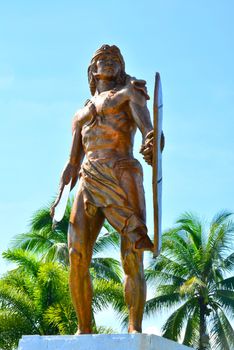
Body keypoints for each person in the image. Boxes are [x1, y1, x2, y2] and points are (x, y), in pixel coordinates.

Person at [51, 44, 156, 334]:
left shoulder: (129, 94)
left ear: (120, 68)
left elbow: (149, 130)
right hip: (88, 177)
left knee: (132, 253)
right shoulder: (80, 114)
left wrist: (152, 142)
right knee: (76, 254)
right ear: (93, 70)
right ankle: (84, 329)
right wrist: (61, 194)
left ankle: (134, 327)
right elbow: (73, 160)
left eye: (114, 60)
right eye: (102, 59)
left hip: (122, 171)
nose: (108, 63)